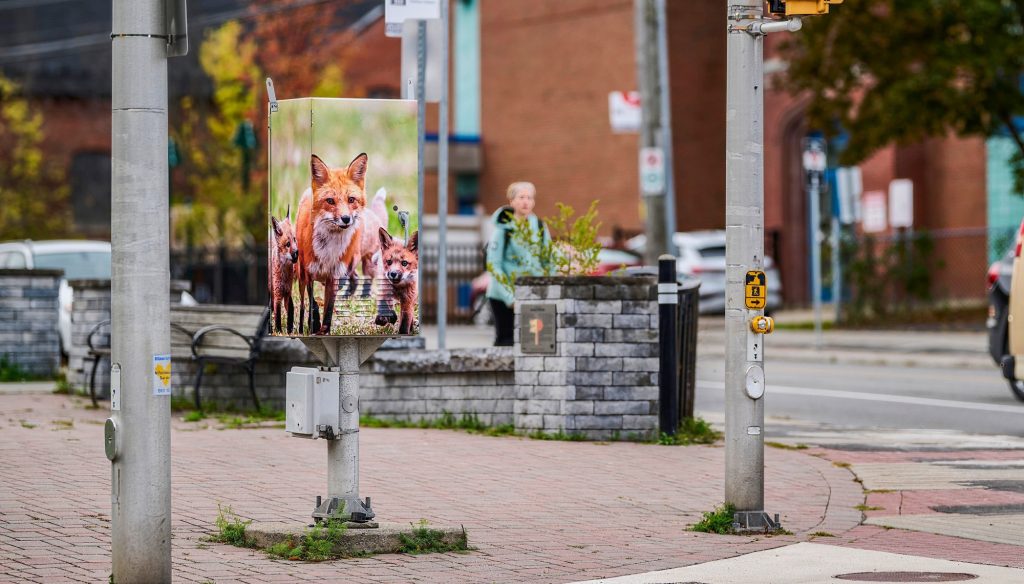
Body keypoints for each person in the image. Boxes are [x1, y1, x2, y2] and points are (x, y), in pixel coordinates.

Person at [486, 182, 549, 346]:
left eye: (529, 198)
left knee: (535, 343)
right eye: (521, 197)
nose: (525, 202)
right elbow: (494, 266)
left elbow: (549, 261)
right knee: (507, 343)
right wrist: (510, 298)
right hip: (504, 297)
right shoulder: (503, 229)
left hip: (532, 295)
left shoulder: (540, 227)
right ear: (512, 201)